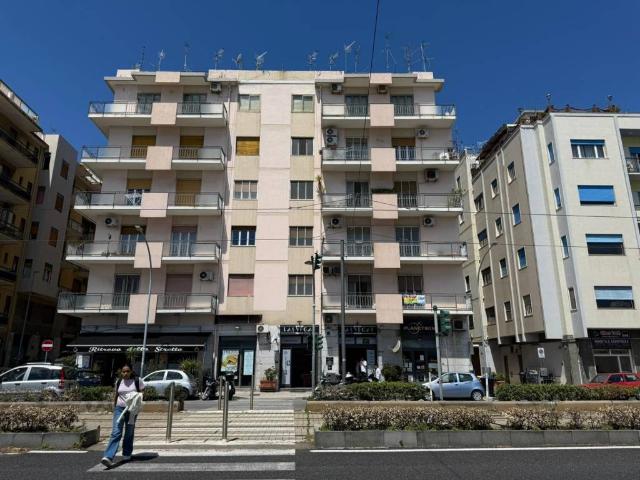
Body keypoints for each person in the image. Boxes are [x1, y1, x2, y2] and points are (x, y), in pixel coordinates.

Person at [101, 364, 145, 468]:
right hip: (119, 409)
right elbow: (116, 395)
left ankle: (127, 453)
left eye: (127, 371)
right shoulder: (119, 381)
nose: (125, 373)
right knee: (116, 432)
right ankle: (108, 457)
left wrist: (137, 396)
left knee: (129, 432)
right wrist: (114, 407)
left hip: (132, 410)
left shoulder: (137, 381)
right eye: (123, 371)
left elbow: (142, 392)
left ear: (131, 371)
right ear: (121, 372)